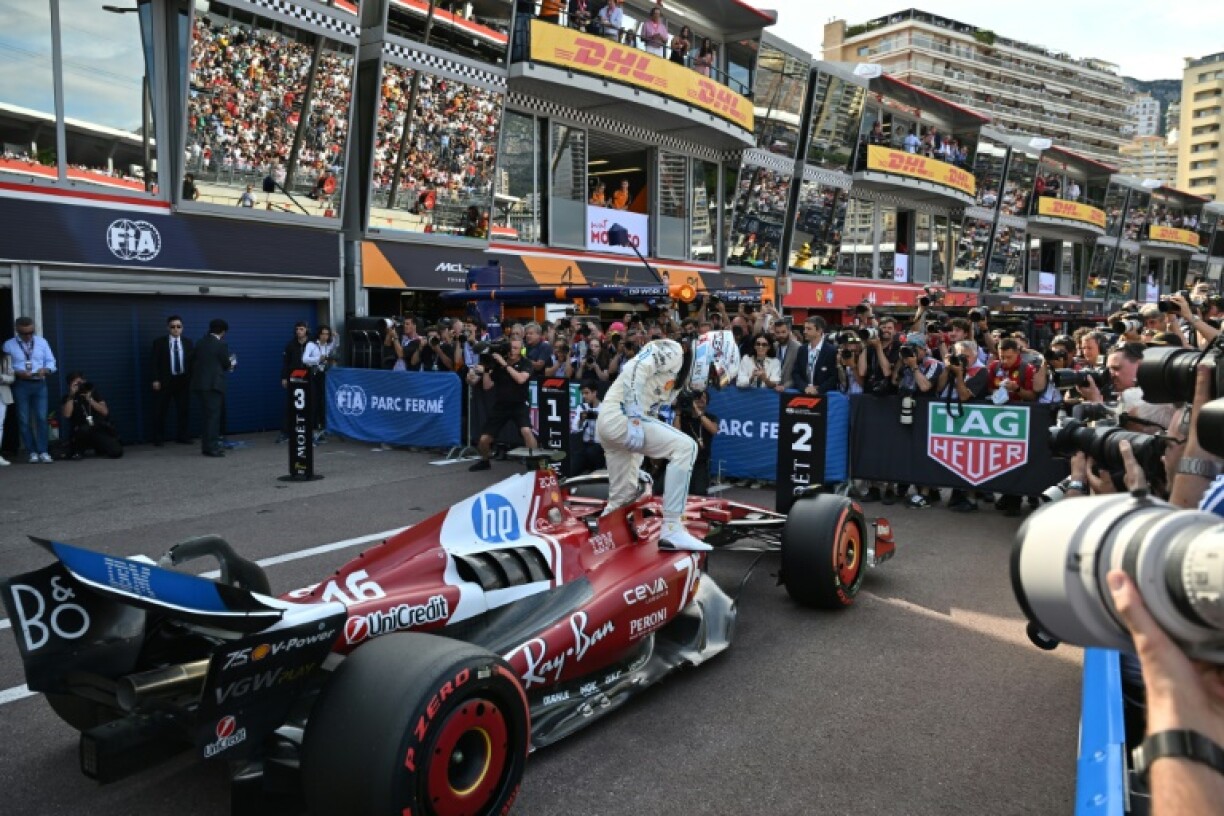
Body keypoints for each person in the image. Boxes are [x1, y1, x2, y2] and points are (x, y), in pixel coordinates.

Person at [595, 331, 739, 552]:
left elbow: (650, 410)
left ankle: (597, 546)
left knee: (622, 498)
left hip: (617, 423)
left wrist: (639, 446)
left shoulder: (680, 379)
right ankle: (672, 528)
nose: (708, 381)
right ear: (706, 355)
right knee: (686, 447)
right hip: (622, 417)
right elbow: (634, 369)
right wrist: (634, 418)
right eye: (711, 373)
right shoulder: (672, 350)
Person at [467, 337, 538, 471]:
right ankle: (485, 461)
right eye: (511, 348)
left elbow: (521, 379)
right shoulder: (497, 364)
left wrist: (505, 365)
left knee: (526, 431)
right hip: (501, 405)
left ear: (521, 351)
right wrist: (486, 371)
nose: (512, 351)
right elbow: (487, 386)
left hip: (519, 404)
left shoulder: (525, 363)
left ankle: (533, 462)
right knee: (484, 439)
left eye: (515, 348)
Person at [3, 317, 57, 463]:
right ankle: (31, 451)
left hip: (40, 384)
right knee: (24, 419)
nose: (28, 336)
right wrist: (17, 372)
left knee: (41, 418)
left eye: (31, 332)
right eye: (24, 333)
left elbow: (52, 361)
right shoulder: (8, 345)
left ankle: (43, 451)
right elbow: (5, 367)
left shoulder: (42, 342)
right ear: (17, 331)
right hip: (21, 384)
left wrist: (46, 369)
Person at [150, 315, 193, 446]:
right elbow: (153, 362)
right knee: (161, 410)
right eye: (173, 327)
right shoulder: (159, 342)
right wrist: (155, 379)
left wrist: (191, 378)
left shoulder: (188, 342)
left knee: (183, 410)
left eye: (178, 326)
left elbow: (191, 362)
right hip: (165, 381)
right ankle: (158, 438)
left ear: (182, 328)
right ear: (168, 328)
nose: (176, 329)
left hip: (182, 381)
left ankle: (183, 436)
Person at [192, 318, 232, 458]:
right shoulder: (221, 344)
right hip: (214, 386)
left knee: (206, 417)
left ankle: (206, 446)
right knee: (214, 417)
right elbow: (226, 364)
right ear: (222, 331)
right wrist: (231, 362)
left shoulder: (200, 342)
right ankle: (212, 448)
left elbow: (193, 360)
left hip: (199, 385)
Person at [61, 372, 123, 459]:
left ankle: (99, 448)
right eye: (77, 383)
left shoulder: (94, 394)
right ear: (70, 385)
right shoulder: (68, 398)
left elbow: (105, 412)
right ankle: (78, 451)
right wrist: (72, 395)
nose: (80, 385)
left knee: (117, 452)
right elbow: (67, 415)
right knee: (83, 430)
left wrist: (90, 400)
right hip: (81, 432)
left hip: (97, 429)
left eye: (81, 382)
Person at [278, 322, 322, 443]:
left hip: (310, 377)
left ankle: (311, 431)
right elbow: (286, 363)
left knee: (312, 403)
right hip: (295, 376)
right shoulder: (290, 345)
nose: (299, 331)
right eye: (297, 329)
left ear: (306, 330)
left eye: (301, 329)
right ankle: (286, 432)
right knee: (292, 404)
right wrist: (284, 378)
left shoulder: (312, 344)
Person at [673, 388, 718, 496]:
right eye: (698, 397)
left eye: (704, 398)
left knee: (699, 492)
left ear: (707, 402)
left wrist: (698, 412)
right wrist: (678, 414)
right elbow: (675, 433)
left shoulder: (711, 417)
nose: (700, 399)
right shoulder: (683, 417)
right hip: (684, 459)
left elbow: (713, 430)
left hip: (701, 461)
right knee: (681, 491)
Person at [790, 316, 839, 394]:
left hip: (824, 396)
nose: (805, 331)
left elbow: (834, 377)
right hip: (804, 393)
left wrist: (818, 390)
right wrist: (805, 387)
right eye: (805, 328)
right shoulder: (802, 349)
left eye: (809, 329)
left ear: (819, 331)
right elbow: (796, 373)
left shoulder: (831, 351)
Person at [568, 383, 606, 477]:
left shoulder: (605, 408)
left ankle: (597, 472)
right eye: (582, 393)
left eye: (587, 393)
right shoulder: (581, 407)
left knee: (592, 452)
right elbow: (575, 429)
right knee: (572, 468)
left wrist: (598, 417)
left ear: (594, 393)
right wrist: (581, 420)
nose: (584, 396)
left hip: (601, 446)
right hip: (585, 445)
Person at [312, 325, 338, 443]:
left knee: (322, 402)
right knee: (315, 402)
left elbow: (335, 345)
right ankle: (314, 429)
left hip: (323, 375)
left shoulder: (327, 346)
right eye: (323, 334)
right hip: (313, 376)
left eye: (327, 334)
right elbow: (305, 359)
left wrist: (336, 337)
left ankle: (321, 429)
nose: (325, 336)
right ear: (319, 334)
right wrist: (318, 358)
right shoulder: (312, 345)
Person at [771, 319, 801, 393]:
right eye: (778, 332)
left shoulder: (798, 347)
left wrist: (785, 386)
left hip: (790, 391)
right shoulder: (773, 346)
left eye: (783, 332)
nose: (781, 335)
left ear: (789, 331)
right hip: (773, 389)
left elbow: (800, 373)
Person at [0, 349, 12, 466]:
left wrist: (2, 378)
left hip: (2, 393)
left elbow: (11, 377)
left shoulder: (6, 357)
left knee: (0, 425)